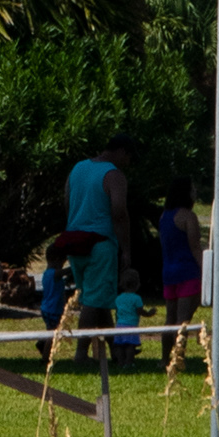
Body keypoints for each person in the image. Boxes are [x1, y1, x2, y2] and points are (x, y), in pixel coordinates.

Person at [62, 140, 136, 364]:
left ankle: (115, 348)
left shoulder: (78, 168)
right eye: (129, 158)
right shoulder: (114, 175)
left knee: (100, 297)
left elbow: (67, 200)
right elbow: (119, 212)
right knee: (92, 301)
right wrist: (126, 249)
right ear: (122, 151)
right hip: (100, 243)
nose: (129, 164)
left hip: (75, 240)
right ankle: (81, 353)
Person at [157, 190, 205, 352]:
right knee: (183, 320)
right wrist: (205, 270)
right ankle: (178, 357)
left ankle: (165, 357)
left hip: (169, 273)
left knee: (169, 319)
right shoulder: (188, 217)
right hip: (188, 273)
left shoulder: (164, 217)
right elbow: (195, 247)